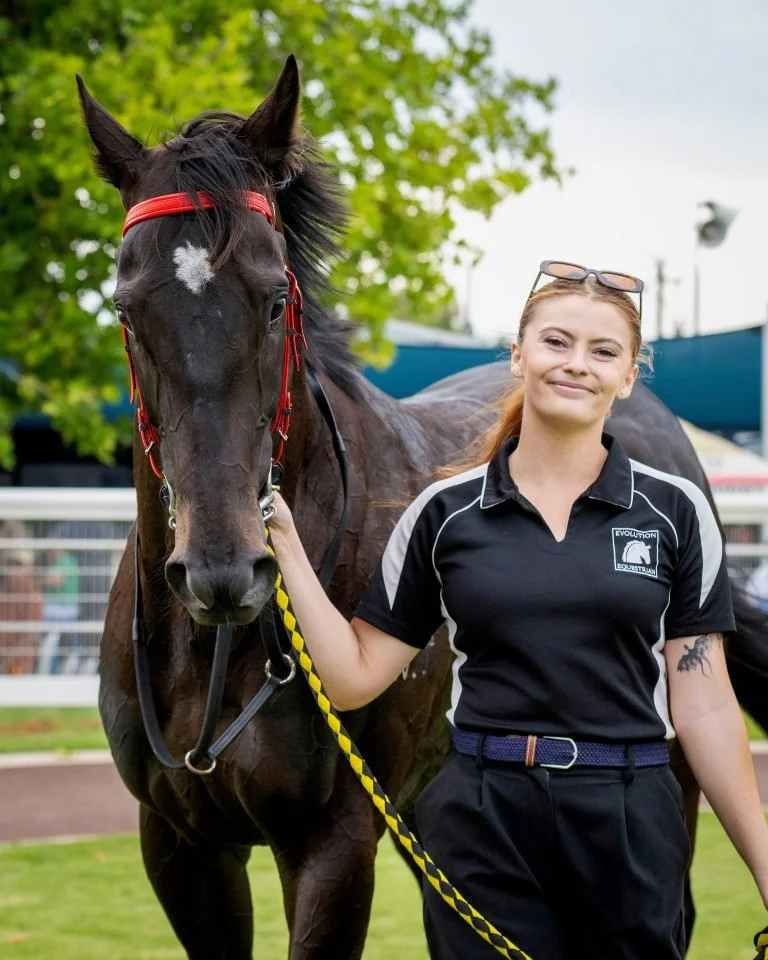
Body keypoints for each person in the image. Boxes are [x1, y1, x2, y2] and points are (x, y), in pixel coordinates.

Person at [267, 262, 768, 959]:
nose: (576, 365)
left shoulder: (674, 512)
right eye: (556, 341)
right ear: (519, 354)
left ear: (628, 377)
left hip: (631, 816)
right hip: (482, 817)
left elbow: (706, 704)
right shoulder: (442, 514)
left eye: (603, 351)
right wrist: (287, 549)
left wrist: (766, 865)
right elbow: (354, 676)